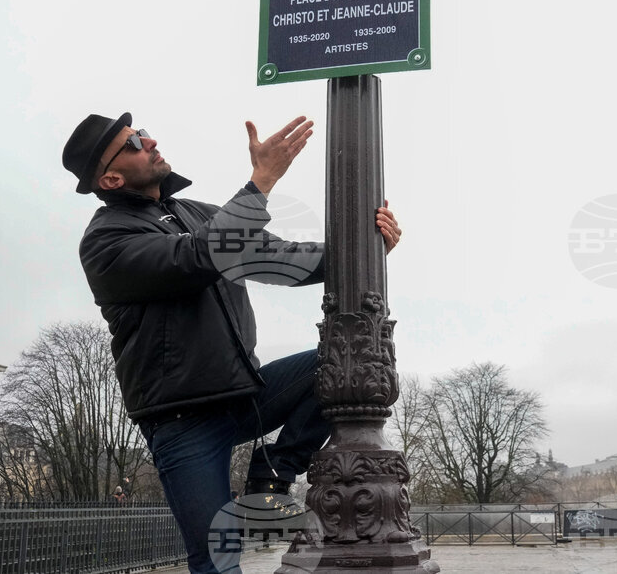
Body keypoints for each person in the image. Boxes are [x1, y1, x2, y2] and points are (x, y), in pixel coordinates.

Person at [62, 112, 402, 573]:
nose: (150, 140)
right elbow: (200, 256)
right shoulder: (106, 241)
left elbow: (286, 259)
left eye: (142, 132)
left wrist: (367, 249)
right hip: (182, 420)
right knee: (217, 561)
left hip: (246, 393)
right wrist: (261, 181)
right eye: (134, 142)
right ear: (111, 177)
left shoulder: (199, 214)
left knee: (344, 359)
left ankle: (276, 467)